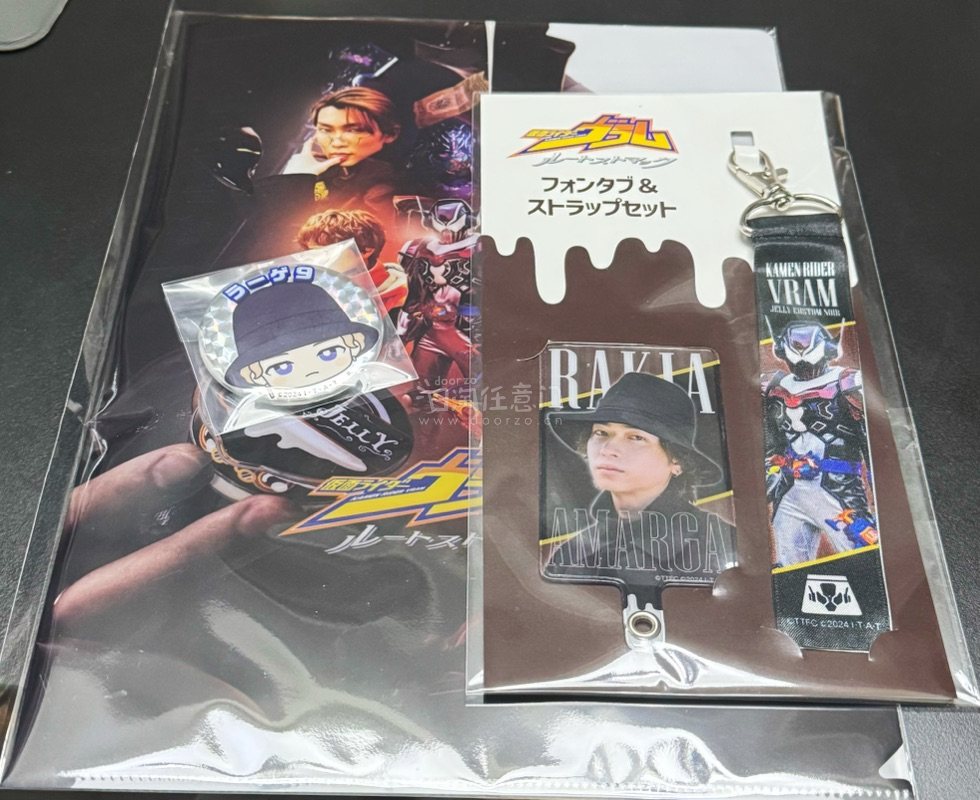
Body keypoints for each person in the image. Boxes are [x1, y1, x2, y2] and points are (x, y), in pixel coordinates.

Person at [543, 372, 735, 611]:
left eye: (635, 437)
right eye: (601, 433)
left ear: (677, 461)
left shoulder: (722, 544)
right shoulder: (571, 553)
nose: (608, 449)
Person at [763, 321, 878, 568]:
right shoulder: (774, 388)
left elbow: (873, 447)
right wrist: (769, 472)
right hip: (790, 493)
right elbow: (771, 445)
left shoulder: (848, 383)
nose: (802, 360)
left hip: (838, 490)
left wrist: (883, 499)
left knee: (864, 559)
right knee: (788, 570)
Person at [282, 86, 401, 219]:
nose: (337, 143)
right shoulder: (319, 169)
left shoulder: (387, 182)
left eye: (353, 130)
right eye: (326, 130)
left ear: (390, 134)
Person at [297, 209, 407, 313]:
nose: (317, 259)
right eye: (312, 252)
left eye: (328, 251)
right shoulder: (313, 295)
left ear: (366, 251)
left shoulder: (406, 299)